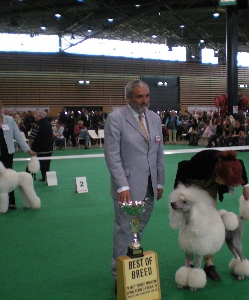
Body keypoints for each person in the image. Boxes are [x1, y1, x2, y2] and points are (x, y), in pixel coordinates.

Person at [104, 79, 164, 294]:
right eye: (139, 97)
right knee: (123, 230)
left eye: (146, 96)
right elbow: (112, 155)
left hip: (149, 185)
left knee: (138, 228)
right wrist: (122, 186)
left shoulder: (155, 118)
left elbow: (158, 152)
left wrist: (159, 181)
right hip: (127, 187)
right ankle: (118, 276)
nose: (144, 101)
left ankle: (133, 268)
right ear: (128, 98)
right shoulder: (116, 119)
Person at [174, 149, 249, 281]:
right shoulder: (199, 165)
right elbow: (182, 166)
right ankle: (190, 262)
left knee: (209, 223)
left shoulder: (230, 163)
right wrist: (181, 194)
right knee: (191, 222)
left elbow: (241, 164)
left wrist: (246, 186)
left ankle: (208, 263)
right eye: (224, 182)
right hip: (194, 183)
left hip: (210, 184)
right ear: (218, 172)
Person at [0, 99, 35, 211]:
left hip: (8, 152)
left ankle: (11, 202)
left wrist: (28, 150)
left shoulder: (10, 120)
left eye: (0, 107)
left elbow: (18, 136)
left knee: (9, 177)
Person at [28, 111, 54, 182]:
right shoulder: (48, 124)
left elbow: (32, 137)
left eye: (36, 115)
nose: (35, 116)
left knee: (42, 163)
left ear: (39, 117)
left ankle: (44, 177)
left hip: (41, 147)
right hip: (49, 147)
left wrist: (30, 146)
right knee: (47, 162)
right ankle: (47, 177)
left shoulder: (37, 125)